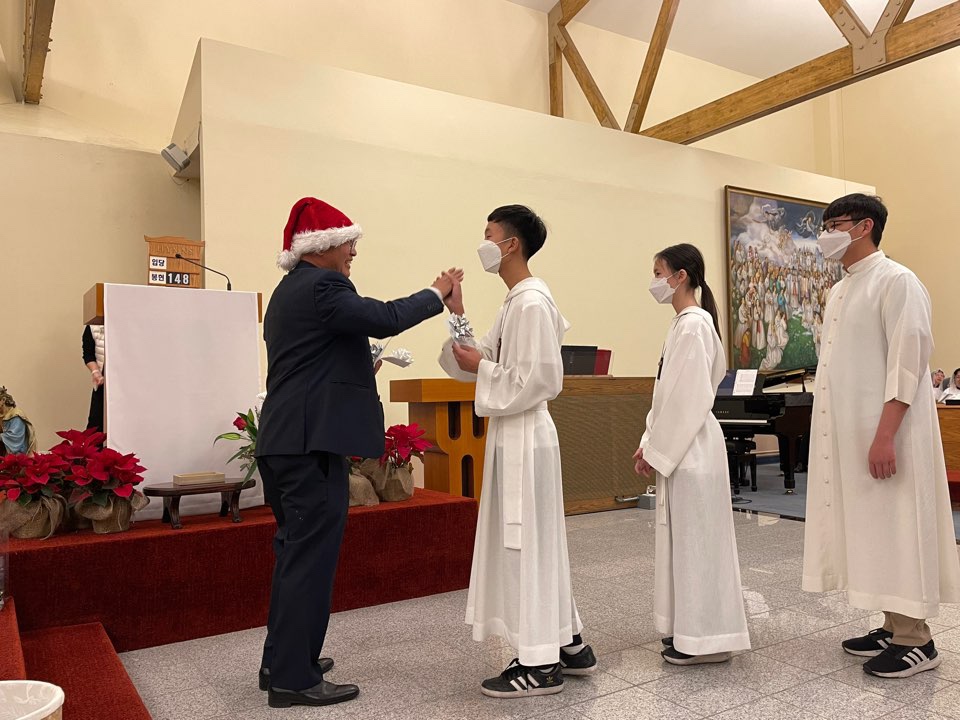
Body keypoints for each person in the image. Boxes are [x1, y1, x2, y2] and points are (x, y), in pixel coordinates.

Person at [254, 197, 458, 709]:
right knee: (310, 561)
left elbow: (316, 363)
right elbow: (384, 318)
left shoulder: (288, 292)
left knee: (294, 555)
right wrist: (437, 293)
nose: (353, 253)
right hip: (308, 444)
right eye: (349, 243)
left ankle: (282, 660)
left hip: (287, 441)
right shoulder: (324, 286)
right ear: (321, 246)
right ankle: (293, 679)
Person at [438, 205, 595, 698]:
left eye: (488, 235)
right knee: (537, 543)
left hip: (527, 435)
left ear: (511, 244)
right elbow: (480, 358)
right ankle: (567, 644)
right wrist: (457, 313)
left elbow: (541, 379)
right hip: (515, 433)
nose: (482, 244)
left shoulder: (531, 302)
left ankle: (540, 665)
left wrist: (483, 369)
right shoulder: (515, 301)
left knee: (527, 545)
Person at [802, 194, 960, 678]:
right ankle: (893, 624)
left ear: (864, 226)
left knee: (897, 524)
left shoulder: (897, 281)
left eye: (834, 224)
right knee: (872, 527)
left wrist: (885, 434)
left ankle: (917, 640)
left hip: (888, 433)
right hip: (853, 434)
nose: (825, 234)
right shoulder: (840, 290)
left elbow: (907, 364)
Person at [633, 243, 750, 666]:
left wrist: (657, 449)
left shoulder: (694, 325)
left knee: (700, 544)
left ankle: (709, 640)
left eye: (658, 272)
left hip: (694, 447)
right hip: (683, 446)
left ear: (681, 276)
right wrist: (649, 440)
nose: (654, 281)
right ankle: (691, 630)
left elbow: (689, 398)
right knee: (686, 543)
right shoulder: (683, 324)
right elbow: (666, 396)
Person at [0, 387, 37, 455]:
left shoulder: (16, 415)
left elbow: (14, 438)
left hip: (17, 454)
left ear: (3, 400)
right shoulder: (2, 414)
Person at [82, 324, 105, 432]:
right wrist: (95, 371)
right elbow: (88, 354)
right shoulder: (92, 327)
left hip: (126, 385)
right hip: (102, 383)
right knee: (95, 426)